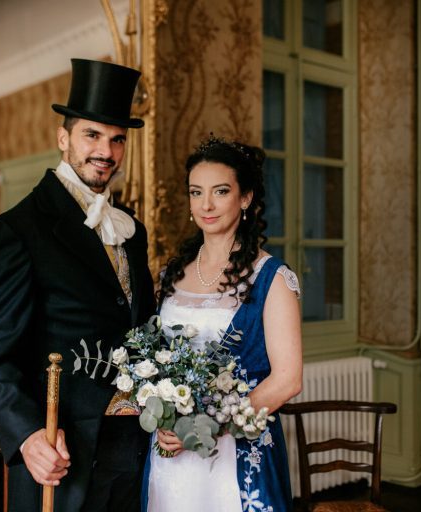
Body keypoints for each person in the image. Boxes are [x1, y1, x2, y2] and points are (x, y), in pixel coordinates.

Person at [0, 59, 156, 512]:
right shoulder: (17, 230)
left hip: (133, 446)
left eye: (118, 139)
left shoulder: (133, 230)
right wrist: (28, 436)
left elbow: (142, 329)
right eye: (92, 135)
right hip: (61, 452)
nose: (106, 151)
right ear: (63, 139)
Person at [142, 136, 303, 511]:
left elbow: (287, 380)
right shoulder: (170, 273)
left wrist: (204, 427)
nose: (206, 205)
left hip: (237, 452)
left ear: (245, 197)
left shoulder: (271, 278)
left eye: (220, 191)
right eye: (196, 193)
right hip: (170, 456)